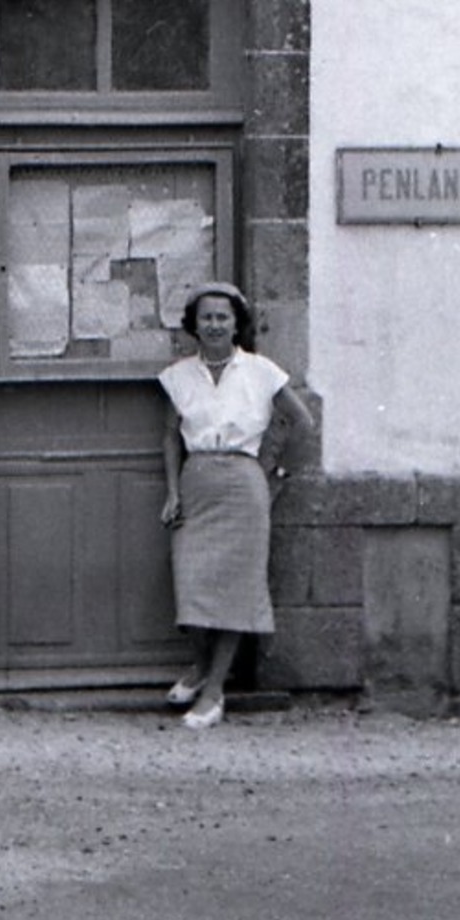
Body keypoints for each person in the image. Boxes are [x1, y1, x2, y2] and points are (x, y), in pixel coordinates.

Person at [158, 281, 314, 730]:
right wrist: (172, 491)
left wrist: (277, 472)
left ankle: (213, 690)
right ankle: (200, 665)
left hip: (245, 486)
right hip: (197, 482)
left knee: (235, 591)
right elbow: (170, 436)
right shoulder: (179, 375)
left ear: (236, 323)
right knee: (190, 582)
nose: (214, 325)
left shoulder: (261, 371)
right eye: (206, 317)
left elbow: (302, 422)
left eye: (222, 317)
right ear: (194, 325)